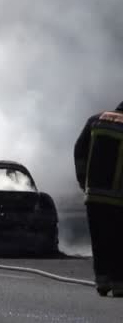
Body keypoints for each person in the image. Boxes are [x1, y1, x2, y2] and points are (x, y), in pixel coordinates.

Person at [74, 101, 123, 297]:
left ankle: (102, 282)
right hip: (120, 198)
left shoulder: (96, 120)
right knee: (119, 241)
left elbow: (79, 151)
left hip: (94, 194)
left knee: (100, 239)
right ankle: (120, 284)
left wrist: (83, 180)